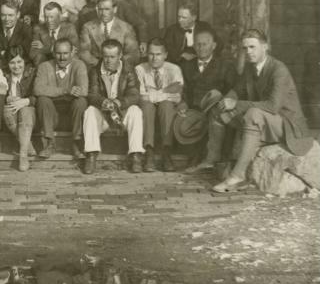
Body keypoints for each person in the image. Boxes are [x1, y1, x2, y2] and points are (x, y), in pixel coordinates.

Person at [188, 29, 313, 192]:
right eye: (245, 48)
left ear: (265, 47)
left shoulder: (278, 69)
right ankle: (212, 159)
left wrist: (237, 104)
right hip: (267, 121)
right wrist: (227, 99)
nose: (248, 52)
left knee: (253, 114)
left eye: (252, 47)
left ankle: (238, 175)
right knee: (219, 111)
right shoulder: (250, 67)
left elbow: (272, 106)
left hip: (288, 125)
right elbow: (237, 89)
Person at [83, 39, 144, 175]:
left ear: (120, 55)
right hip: (103, 115)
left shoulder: (129, 71)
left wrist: (119, 102)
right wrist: (102, 101)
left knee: (135, 111)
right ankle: (91, 155)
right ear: (101, 55)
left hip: (121, 114)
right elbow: (92, 94)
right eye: (105, 56)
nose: (108, 60)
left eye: (112, 57)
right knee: (90, 111)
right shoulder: (95, 71)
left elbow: (134, 94)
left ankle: (135, 155)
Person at [177, 28, 236, 166]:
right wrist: (183, 102)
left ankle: (208, 157)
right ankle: (195, 155)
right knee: (186, 124)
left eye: (205, 44)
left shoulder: (225, 66)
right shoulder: (186, 66)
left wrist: (225, 101)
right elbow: (183, 89)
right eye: (198, 44)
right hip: (193, 109)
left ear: (213, 46)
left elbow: (232, 89)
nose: (201, 47)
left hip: (215, 108)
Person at [33, 38, 89, 160]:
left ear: (72, 53)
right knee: (42, 99)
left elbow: (83, 90)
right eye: (58, 53)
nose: (62, 57)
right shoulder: (45, 66)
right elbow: (38, 89)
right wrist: (66, 91)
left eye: (65, 53)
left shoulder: (79, 65)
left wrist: (53, 91)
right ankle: (49, 142)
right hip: (51, 116)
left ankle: (76, 143)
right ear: (53, 53)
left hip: (72, 116)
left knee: (81, 101)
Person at [135, 38, 184, 172]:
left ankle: (166, 152)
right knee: (147, 106)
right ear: (147, 54)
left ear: (165, 55)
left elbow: (177, 95)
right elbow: (141, 96)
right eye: (151, 54)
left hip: (166, 107)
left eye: (158, 54)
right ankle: (149, 152)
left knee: (166, 105)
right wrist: (166, 92)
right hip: (147, 106)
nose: (154, 58)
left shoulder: (174, 69)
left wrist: (157, 94)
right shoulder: (139, 69)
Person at [79, 0, 140, 68]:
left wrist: (116, 64)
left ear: (114, 9)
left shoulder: (126, 28)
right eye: (100, 9)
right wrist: (100, 65)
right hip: (96, 68)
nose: (103, 13)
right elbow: (84, 52)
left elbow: (133, 54)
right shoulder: (88, 27)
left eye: (107, 9)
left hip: (120, 69)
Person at [2, 46, 37, 172]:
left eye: (19, 62)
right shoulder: (4, 75)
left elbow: (38, 96)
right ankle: (28, 146)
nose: (16, 66)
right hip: (12, 112)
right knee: (7, 110)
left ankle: (23, 155)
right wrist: (7, 98)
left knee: (25, 111)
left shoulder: (33, 73)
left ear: (25, 62)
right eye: (12, 62)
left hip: (30, 111)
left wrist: (25, 101)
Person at [30, 2, 79, 67]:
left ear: (60, 16)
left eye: (52, 17)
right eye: (46, 17)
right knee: (39, 57)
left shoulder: (69, 28)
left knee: (74, 58)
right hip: (46, 67)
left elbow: (75, 50)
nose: (48, 20)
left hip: (65, 63)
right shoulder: (38, 29)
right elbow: (32, 53)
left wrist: (46, 48)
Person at [0, 0, 33, 65]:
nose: (6, 19)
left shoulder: (26, 29)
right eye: (3, 15)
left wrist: (2, 54)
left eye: (10, 15)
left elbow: (25, 54)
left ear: (18, 15)